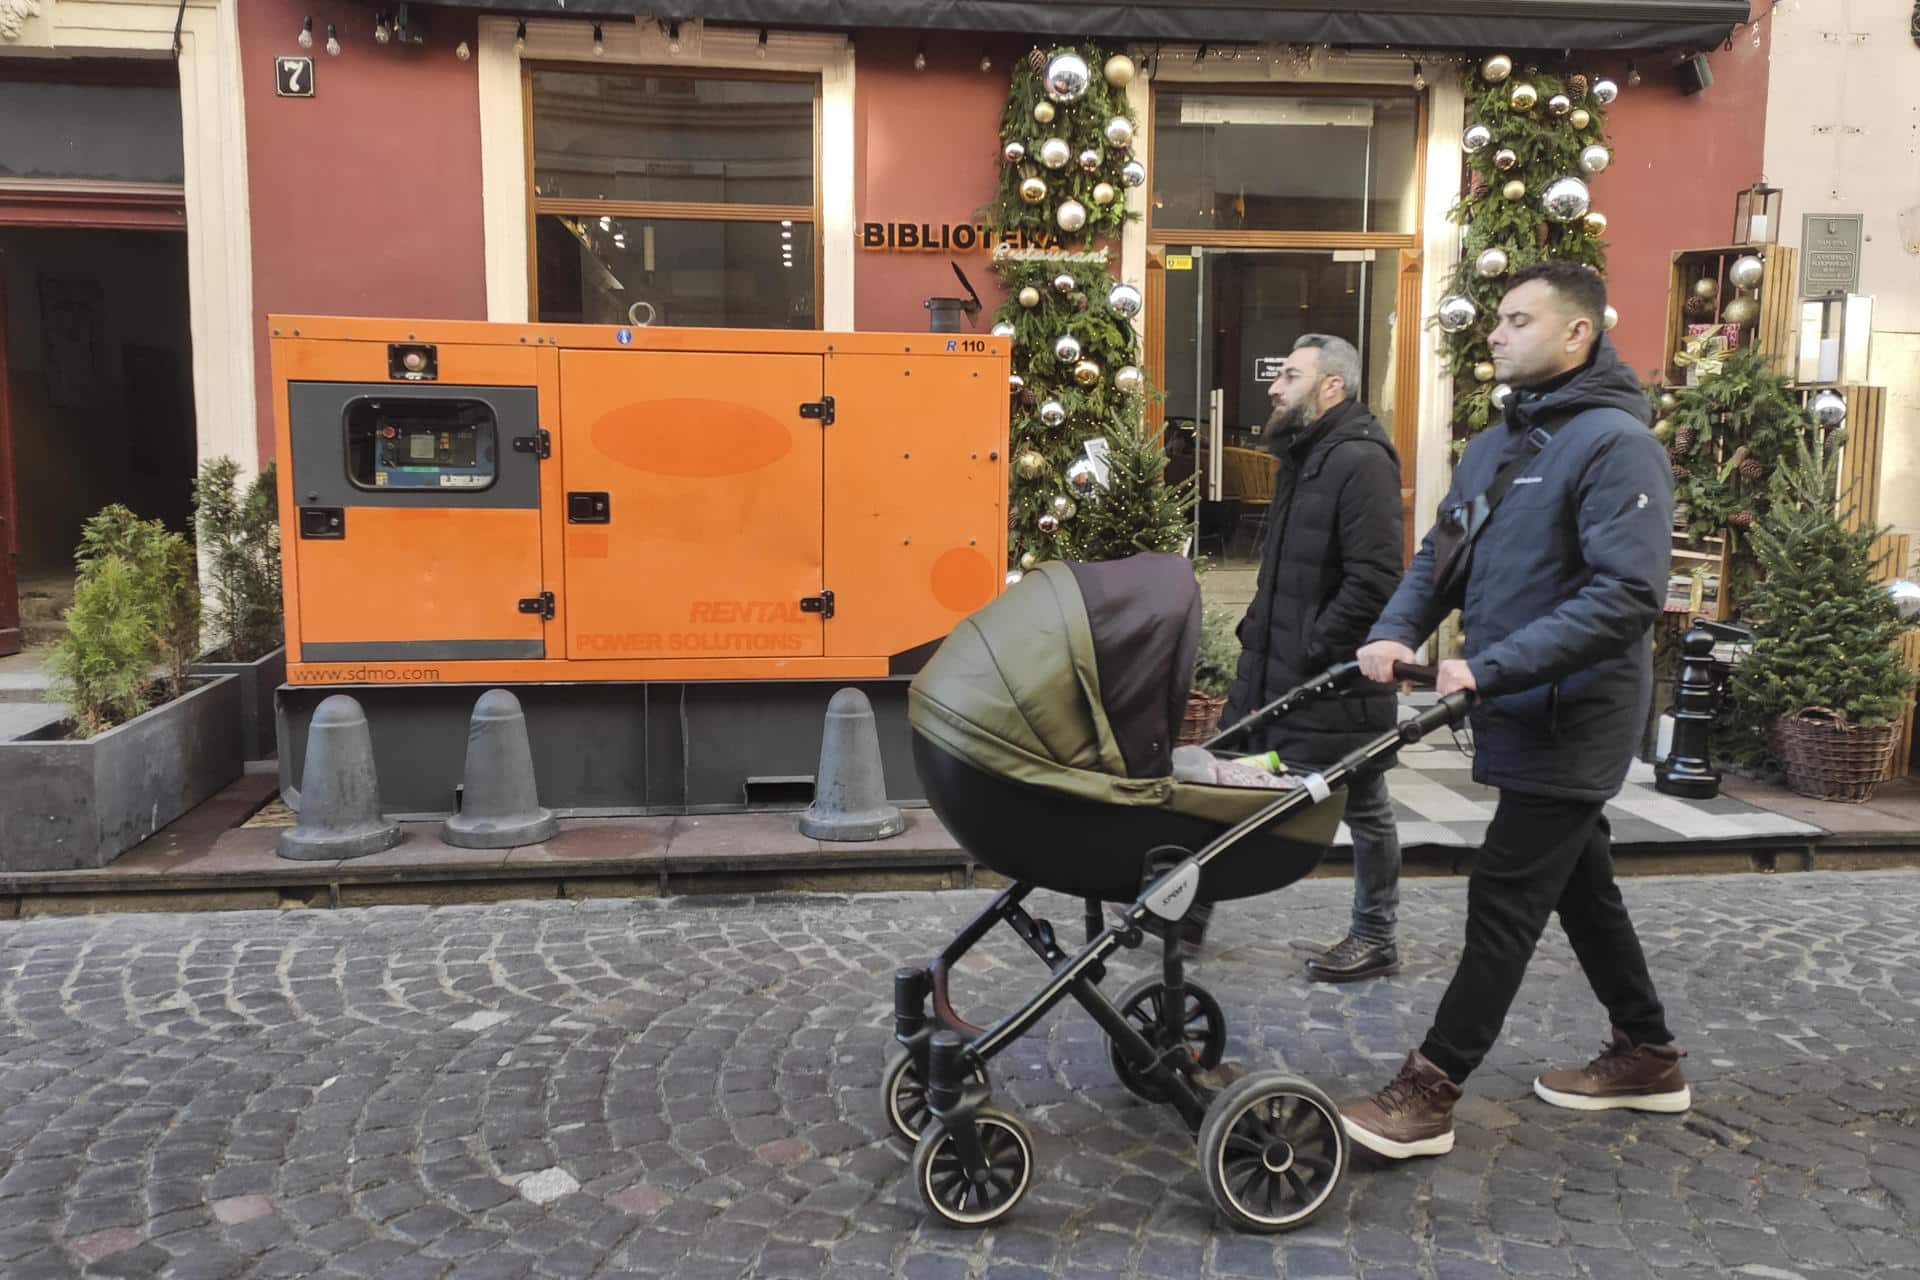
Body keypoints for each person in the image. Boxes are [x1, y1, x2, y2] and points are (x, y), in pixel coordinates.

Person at [1341, 262, 1688, 1161]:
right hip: (1516, 703)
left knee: (1506, 890)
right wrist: (1394, 632)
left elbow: (1628, 596)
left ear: (1578, 334)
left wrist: (1483, 668)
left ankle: (1431, 1088)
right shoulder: (1497, 444)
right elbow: (1439, 556)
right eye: (1495, 318)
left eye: (1517, 318)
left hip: (1579, 713)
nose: (1494, 333)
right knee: (1582, 883)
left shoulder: (1616, 445)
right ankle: (1647, 1053)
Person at [1182, 335, 1406, 978]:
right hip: (1272, 665)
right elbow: (1284, 567)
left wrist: (1315, 646)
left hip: (1329, 678)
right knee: (1222, 781)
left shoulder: (1360, 459)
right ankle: (1186, 914)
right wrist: (1258, 629)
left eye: (1289, 374)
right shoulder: (1303, 455)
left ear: (1331, 385)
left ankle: (1376, 934)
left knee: (1364, 804)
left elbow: (1375, 578)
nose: (1275, 387)